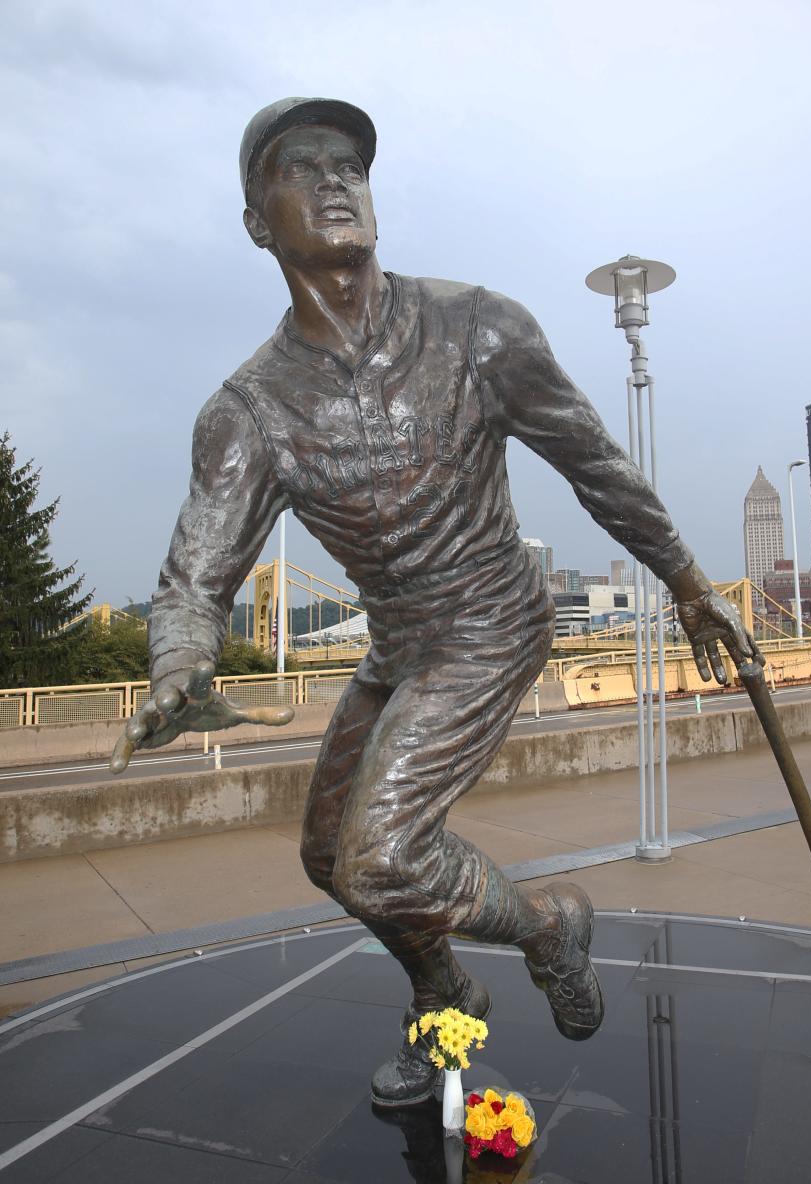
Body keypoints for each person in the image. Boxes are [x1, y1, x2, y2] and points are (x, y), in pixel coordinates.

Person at [111, 97, 760, 1107]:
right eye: (303, 168)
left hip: (494, 616)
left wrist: (686, 583)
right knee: (332, 855)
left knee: (383, 857)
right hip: (401, 643)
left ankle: (550, 924)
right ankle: (447, 992)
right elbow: (197, 576)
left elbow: (595, 465)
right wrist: (179, 664)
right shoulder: (248, 413)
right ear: (256, 222)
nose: (337, 180)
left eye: (352, 166)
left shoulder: (478, 329)